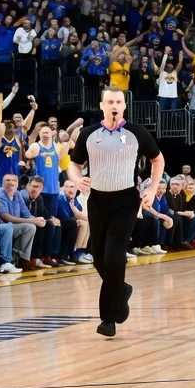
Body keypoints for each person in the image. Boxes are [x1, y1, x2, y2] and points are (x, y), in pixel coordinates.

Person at [67, 87, 166, 338]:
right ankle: (121, 290)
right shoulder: (88, 134)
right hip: (97, 200)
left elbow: (158, 160)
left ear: (124, 106)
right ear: (102, 105)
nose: (114, 105)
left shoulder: (137, 132)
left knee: (114, 257)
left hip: (126, 201)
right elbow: (74, 164)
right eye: (110, 101)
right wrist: (77, 179)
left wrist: (152, 187)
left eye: (118, 102)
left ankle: (108, 318)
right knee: (99, 259)